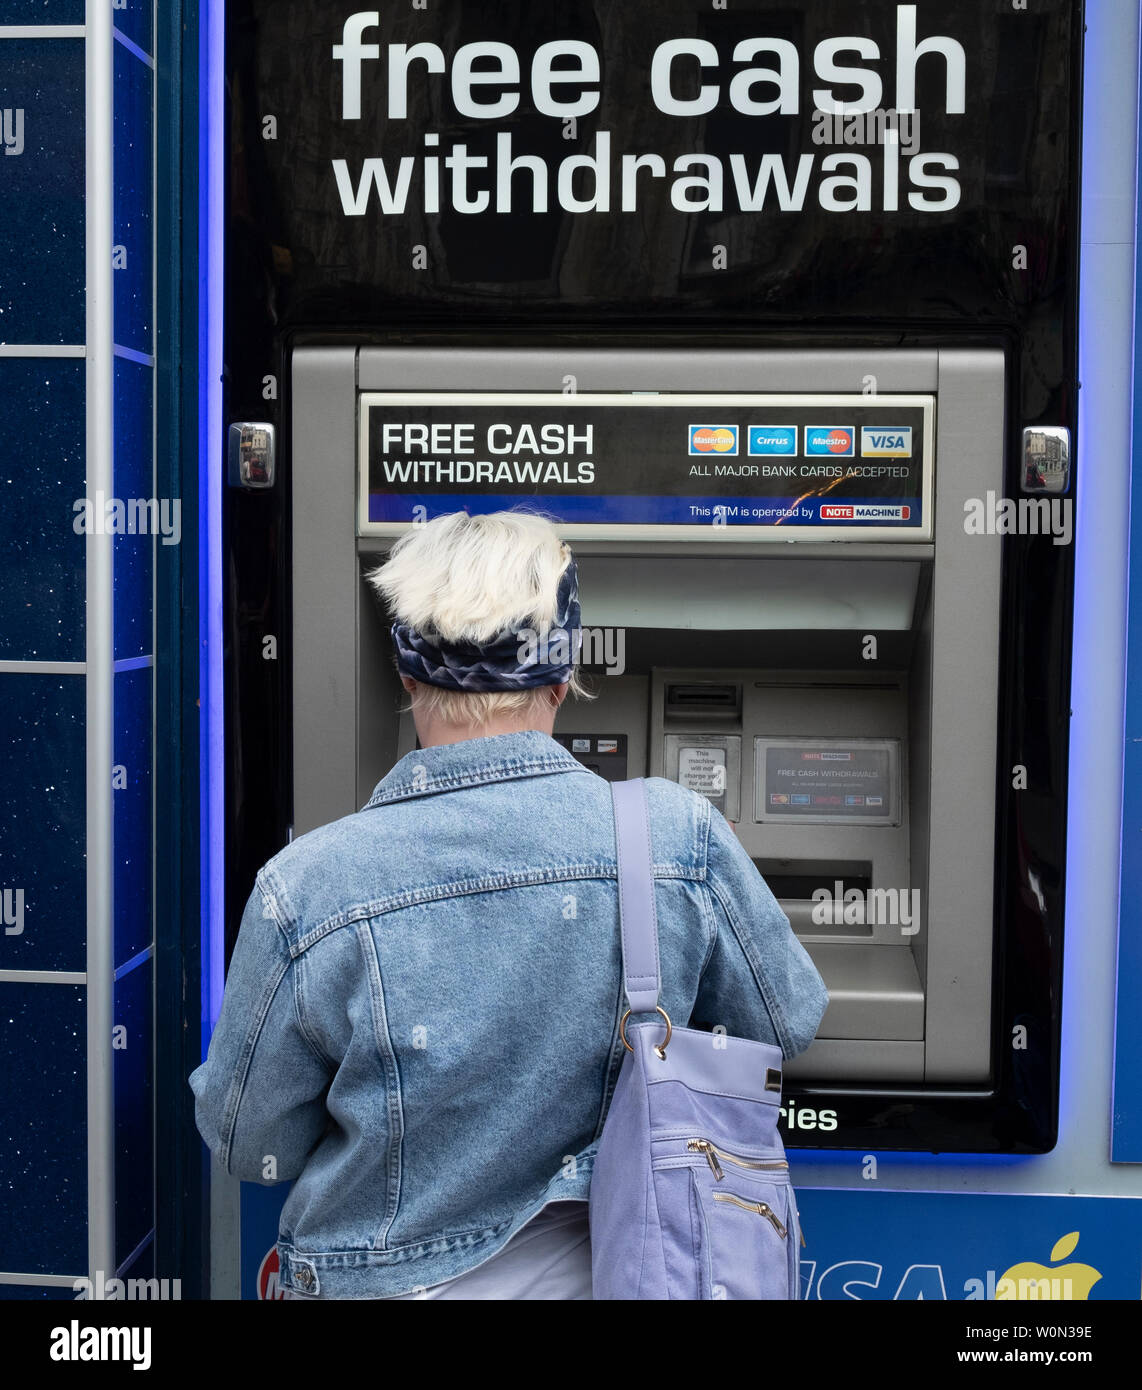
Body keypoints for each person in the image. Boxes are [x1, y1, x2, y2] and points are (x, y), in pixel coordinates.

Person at [190, 509, 828, 1299]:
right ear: (565, 675)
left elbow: (251, 1144)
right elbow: (788, 1018)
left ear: (406, 674)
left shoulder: (306, 887)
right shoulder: (677, 837)